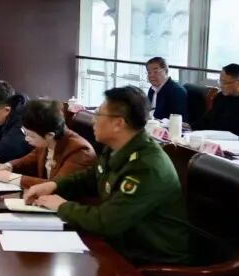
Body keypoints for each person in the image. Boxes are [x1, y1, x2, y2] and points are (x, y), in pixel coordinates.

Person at [24, 86, 191, 266]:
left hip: (150, 261)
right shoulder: (116, 148)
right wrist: (54, 185)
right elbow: (91, 177)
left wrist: (62, 206)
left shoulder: (146, 167)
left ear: (118, 123)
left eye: (98, 114)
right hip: (120, 247)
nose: (93, 120)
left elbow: (108, 221)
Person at [0, 99, 96, 189]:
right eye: (25, 133)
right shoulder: (47, 142)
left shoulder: (80, 151)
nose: (26, 139)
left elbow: (56, 186)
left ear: (49, 135)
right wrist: (9, 166)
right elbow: (32, 158)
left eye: (31, 136)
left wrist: (12, 178)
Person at [196, 63, 239, 136]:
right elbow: (208, 120)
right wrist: (191, 127)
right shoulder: (221, 96)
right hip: (211, 137)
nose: (221, 86)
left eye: (225, 82)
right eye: (220, 81)